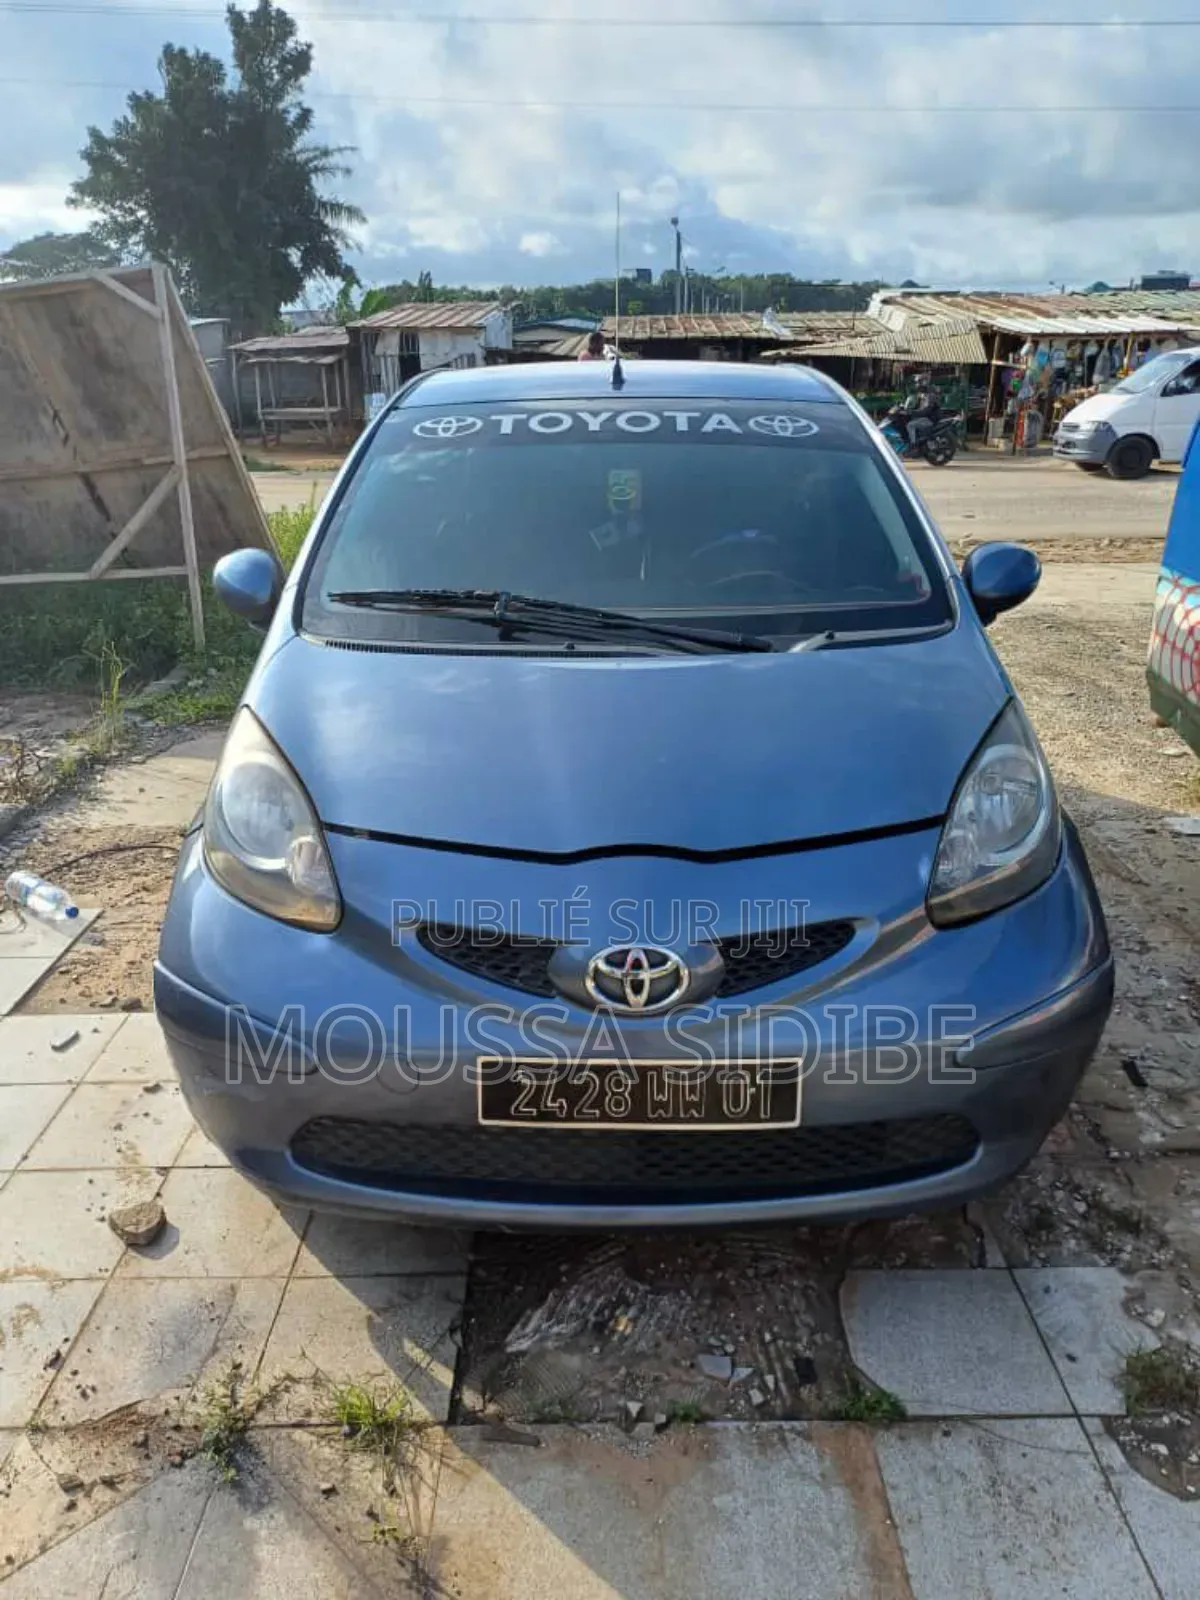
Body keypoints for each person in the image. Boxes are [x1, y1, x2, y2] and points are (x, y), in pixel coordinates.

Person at [899, 375, 942, 450]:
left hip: (931, 418)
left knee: (910, 425)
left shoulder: (930, 394)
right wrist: (906, 409)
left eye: (918, 383)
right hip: (925, 417)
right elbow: (917, 406)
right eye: (916, 383)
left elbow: (927, 410)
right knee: (908, 420)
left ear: (924, 383)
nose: (916, 385)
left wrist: (913, 412)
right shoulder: (922, 393)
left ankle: (914, 446)